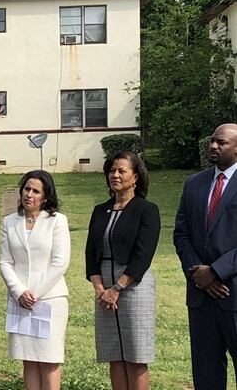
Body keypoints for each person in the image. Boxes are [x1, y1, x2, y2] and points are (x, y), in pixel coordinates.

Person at [85, 151, 160, 390]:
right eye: (112, 170)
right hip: (104, 286)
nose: (114, 175)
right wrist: (100, 287)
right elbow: (90, 252)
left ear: (135, 176)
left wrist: (117, 288)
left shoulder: (146, 209)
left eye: (121, 170)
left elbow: (143, 255)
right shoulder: (100, 210)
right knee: (114, 352)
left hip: (133, 285)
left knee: (136, 354)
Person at [174, 123, 237, 389]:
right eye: (212, 141)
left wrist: (216, 271)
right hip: (201, 297)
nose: (213, 146)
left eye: (221, 142)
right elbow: (181, 234)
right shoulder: (194, 183)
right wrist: (198, 273)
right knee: (206, 372)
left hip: (233, 292)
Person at [0, 170, 70, 390]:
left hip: (49, 299)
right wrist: (19, 291)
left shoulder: (56, 221)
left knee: (49, 360)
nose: (29, 194)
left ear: (45, 196)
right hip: (20, 301)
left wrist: (34, 293)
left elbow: (60, 262)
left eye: (36, 191)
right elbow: (4, 262)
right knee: (28, 359)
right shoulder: (9, 222)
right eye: (26, 189)